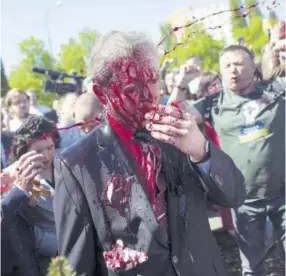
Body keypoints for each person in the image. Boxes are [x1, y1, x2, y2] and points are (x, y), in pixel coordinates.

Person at [53, 31, 246, 276]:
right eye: (133, 87)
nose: (149, 94)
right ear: (103, 94)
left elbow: (235, 195)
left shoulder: (179, 128)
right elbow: (76, 267)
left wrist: (202, 152)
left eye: (153, 78)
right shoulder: (78, 164)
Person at [187, 45, 285, 276]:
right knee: (252, 266)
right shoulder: (213, 104)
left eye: (239, 63)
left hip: (283, 195)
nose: (233, 70)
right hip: (245, 200)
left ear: (253, 66)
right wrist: (183, 83)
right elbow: (177, 115)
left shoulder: (275, 88)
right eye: (227, 65)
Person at [1, 115, 60, 276]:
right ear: (25, 152)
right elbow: (23, 227)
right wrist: (58, 245)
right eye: (38, 151)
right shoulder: (13, 180)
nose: (46, 156)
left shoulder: (66, 164)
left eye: (50, 148)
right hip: (48, 259)